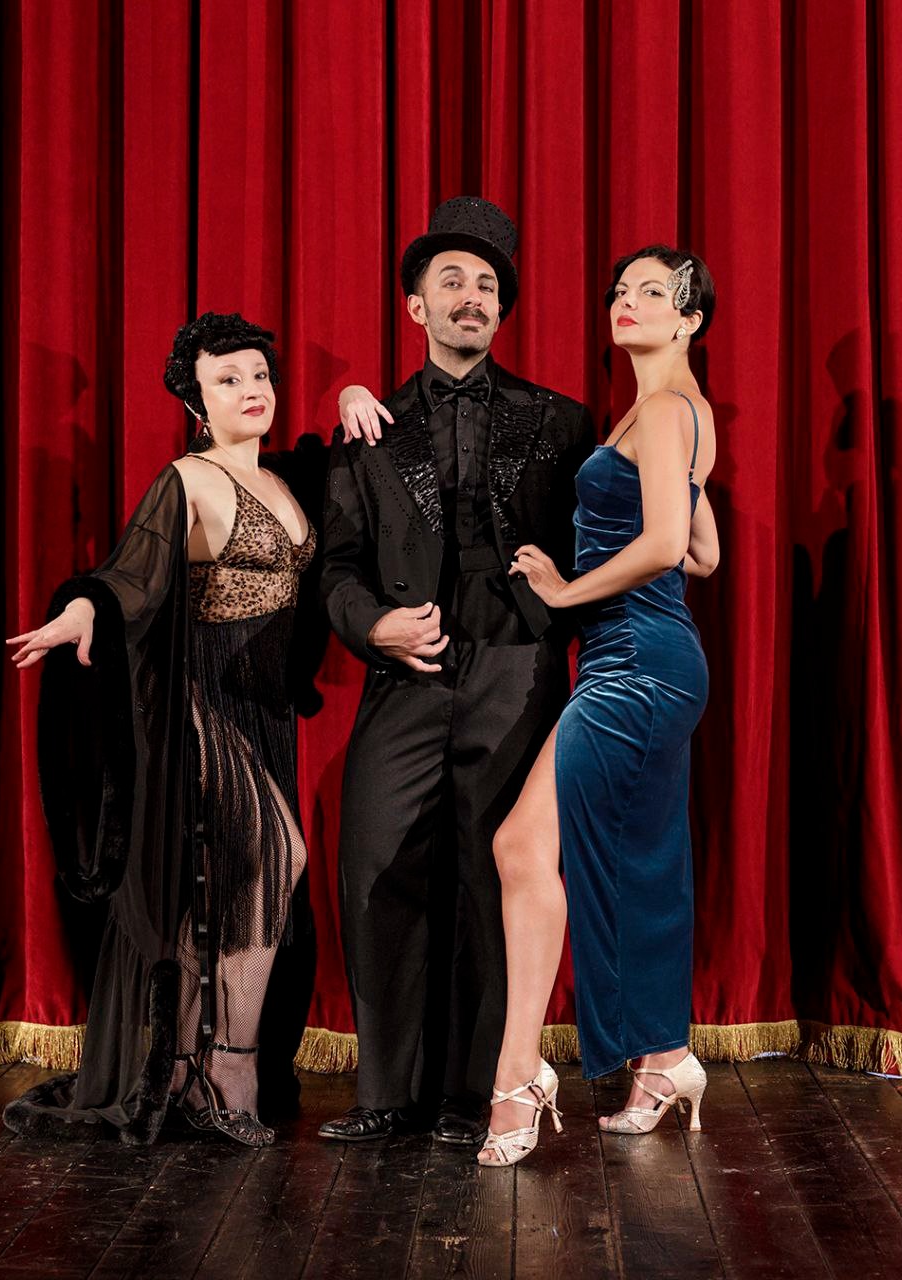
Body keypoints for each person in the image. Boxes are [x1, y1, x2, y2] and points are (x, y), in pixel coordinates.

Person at [3, 312, 360, 1146]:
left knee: (232, 891)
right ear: (197, 404)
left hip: (266, 712)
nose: (251, 390)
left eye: (259, 375)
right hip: (200, 706)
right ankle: (230, 1065)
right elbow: (130, 573)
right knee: (279, 858)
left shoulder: (285, 480)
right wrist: (84, 608)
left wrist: (350, 389)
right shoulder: (187, 480)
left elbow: (341, 463)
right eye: (228, 380)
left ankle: (187, 1066)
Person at [319, 197, 595, 1145]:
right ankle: (385, 1093)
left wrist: (565, 605)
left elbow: (600, 542)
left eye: (487, 285)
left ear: (501, 310)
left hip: (516, 675)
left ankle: (479, 1093)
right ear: (417, 306)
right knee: (377, 868)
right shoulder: (371, 426)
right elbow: (336, 568)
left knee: (492, 879)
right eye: (452, 282)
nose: (471, 297)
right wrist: (375, 626)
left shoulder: (561, 420)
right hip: (405, 679)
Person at [477, 246, 720, 1166]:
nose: (627, 302)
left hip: (636, 666)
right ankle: (662, 1060)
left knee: (525, 846)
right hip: (644, 659)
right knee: (623, 857)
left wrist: (565, 590)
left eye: (653, 293)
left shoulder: (663, 410)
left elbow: (666, 544)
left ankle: (517, 1078)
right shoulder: (675, 411)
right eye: (621, 290)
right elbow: (705, 553)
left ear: (689, 319)